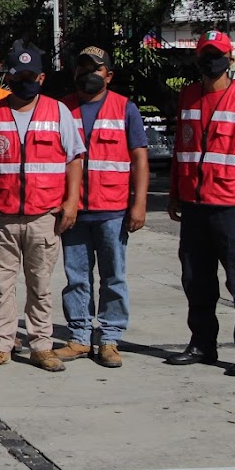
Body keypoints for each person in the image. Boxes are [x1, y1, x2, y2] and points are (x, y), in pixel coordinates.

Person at [0, 42, 83, 373]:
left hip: (43, 215)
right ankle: (1, 345)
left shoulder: (58, 111)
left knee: (40, 285)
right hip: (1, 216)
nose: (25, 81)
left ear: (42, 77)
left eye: (31, 75)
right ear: (8, 76)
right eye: (19, 75)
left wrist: (71, 201)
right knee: (1, 284)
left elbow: (74, 158)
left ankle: (41, 346)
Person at [165, 31, 235, 377]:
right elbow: (182, 150)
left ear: (230, 58)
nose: (211, 61)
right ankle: (202, 343)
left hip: (232, 206)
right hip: (194, 205)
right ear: (197, 59)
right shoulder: (189, 96)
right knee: (196, 280)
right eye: (206, 54)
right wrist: (175, 193)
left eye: (218, 54)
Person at [57, 46, 149, 367]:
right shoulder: (61, 108)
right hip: (73, 210)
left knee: (114, 276)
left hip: (113, 209)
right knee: (76, 277)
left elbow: (139, 158)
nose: (88, 74)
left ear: (108, 75)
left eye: (95, 69)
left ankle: (110, 338)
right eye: (82, 68)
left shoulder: (125, 108)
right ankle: (80, 337)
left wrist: (139, 204)